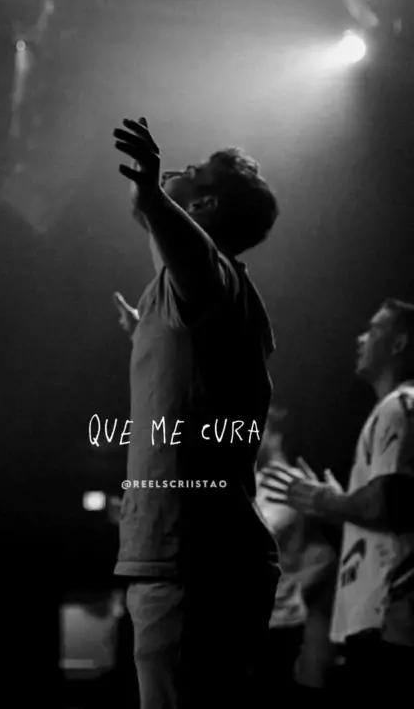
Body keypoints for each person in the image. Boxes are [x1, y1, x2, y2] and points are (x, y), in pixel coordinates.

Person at [111, 116, 280, 709]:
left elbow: (155, 216)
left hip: (193, 562)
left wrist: (152, 191)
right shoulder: (203, 293)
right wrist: (148, 332)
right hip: (207, 560)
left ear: (204, 204)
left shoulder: (208, 275)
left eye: (192, 171)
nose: (177, 170)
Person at [261, 298, 414, 695]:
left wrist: (324, 500)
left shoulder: (400, 407)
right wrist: (335, 504)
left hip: (387, 618)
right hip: (375, 618)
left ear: (399, 344)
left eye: (375, 329)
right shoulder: (390, 410)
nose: (361, 338)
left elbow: (387, 503)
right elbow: (386, 514)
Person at [256, 407, 336, 695]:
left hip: (280, 621)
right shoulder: (252, 481)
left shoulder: (291, 484)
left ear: (274, 435)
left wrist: (297, 587)